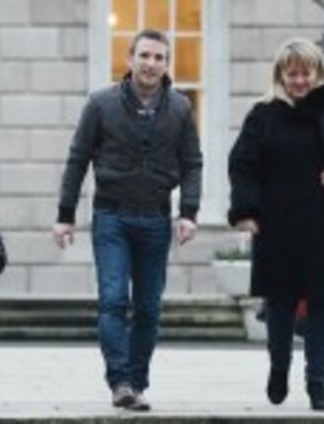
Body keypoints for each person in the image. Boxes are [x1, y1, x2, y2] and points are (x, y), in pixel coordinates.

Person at [52, 28, 202, 411]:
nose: (151, 64)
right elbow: (77, 159)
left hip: (156, 219)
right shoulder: (101, 104)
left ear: (166, 64)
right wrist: (65, 215)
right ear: (130, 59)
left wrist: (189, 213)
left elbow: (191, 163)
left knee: (149, 308)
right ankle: (119, 382)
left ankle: (137, 382)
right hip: (111, 216)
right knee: (114, 299)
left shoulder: (180, 108)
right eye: (145, 56)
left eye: (159, 57)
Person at [227, 37, 324, 411]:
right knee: (280, 305)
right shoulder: (263, 115)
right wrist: (246, 211)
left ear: (318, 72)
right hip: (279, 225)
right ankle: (279, 367)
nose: (300, 81)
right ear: (280, 75)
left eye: (306, 73)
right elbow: (242, 165)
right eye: (292, 74)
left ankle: (317, 382)